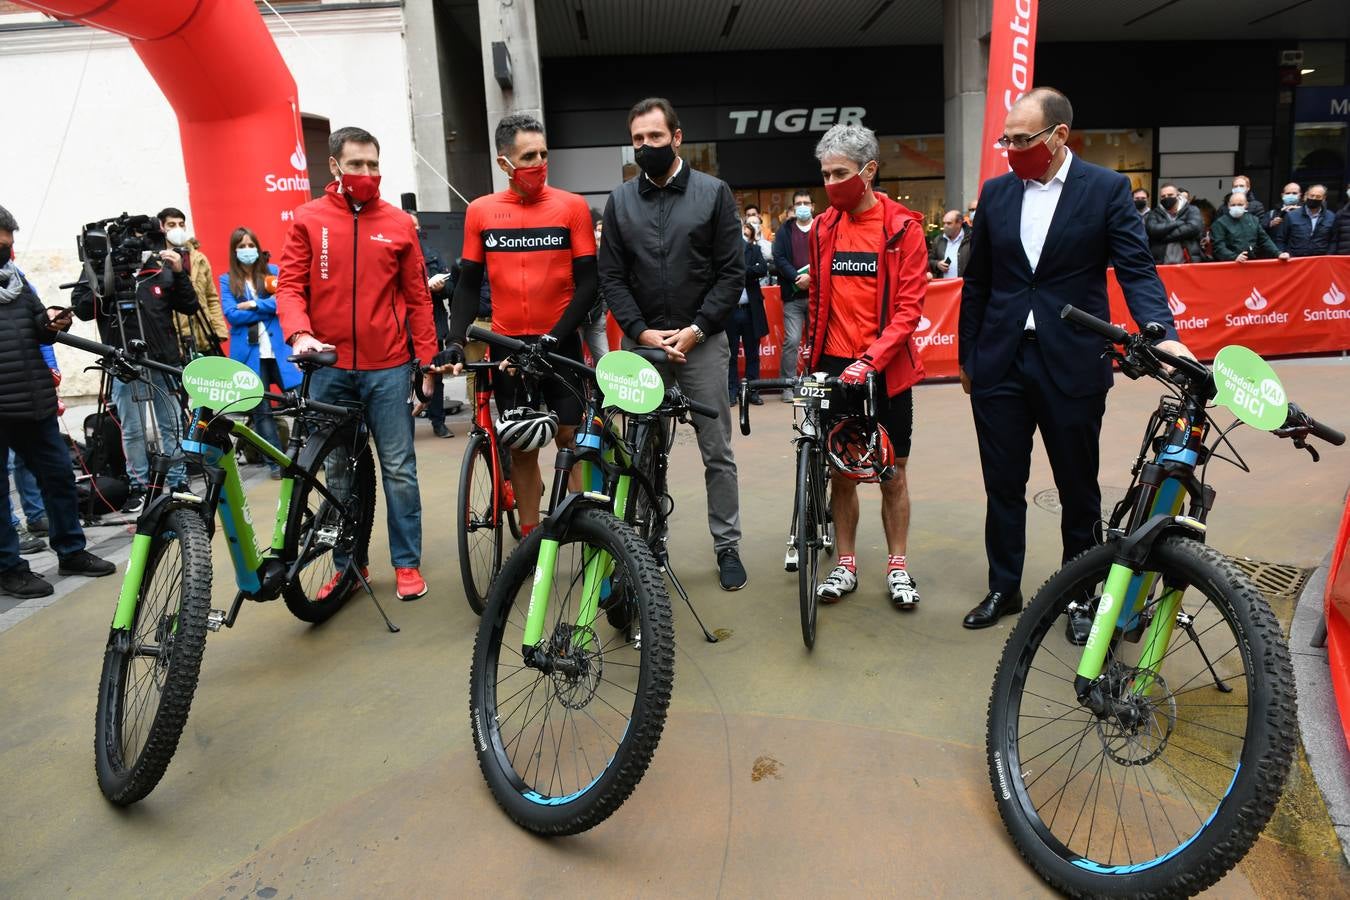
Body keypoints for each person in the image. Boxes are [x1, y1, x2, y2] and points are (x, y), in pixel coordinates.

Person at [958, 87, 1191, 642]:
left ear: (1059, 135)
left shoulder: (1107, 190)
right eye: (1006, 139)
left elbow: (1136, 271)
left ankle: (1080, 593)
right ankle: (1003, 586)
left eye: (1021, 139)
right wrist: (968, 357)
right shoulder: (996, 194)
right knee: (1003, 482)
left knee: (1077, 487)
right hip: (1001, 361)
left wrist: (1164, 336)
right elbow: (979, 282)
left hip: (1071, 362)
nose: (1010, 149)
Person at [276, 126, 439, 603]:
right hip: (327, 368)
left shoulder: (398, 223)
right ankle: (348, 565)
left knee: (399, 469)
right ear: (334, 167)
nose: (367, 174)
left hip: (387, 368)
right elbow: (289, 287)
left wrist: (427, 360)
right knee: (338, 474)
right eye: (356, 165)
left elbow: (417, 299)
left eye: (373, 165)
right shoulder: (308, 219)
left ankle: (406, 564)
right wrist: (299, 331)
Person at [598, 97, 748, 591]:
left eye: (655, 137)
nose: (645, 146)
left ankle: (727, 546)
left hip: (701, 342)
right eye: (637, 139)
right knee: (638, 452)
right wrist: (642, 332)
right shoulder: (620, 201)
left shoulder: (714, 193)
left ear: (677, 138)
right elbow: (612, 277)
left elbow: (731, 274)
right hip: (643, 347)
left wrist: (697, 328)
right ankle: (643, 547)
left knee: (716, 452)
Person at [440, 113, 598, 537]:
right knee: (522, 445)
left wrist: (554, 336)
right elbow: (468, 285)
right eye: (529, 155)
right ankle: (530, 535)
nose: (540, 162)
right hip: (509, 346)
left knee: (570, 438)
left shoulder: (572, 206)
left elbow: (588, 284)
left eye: (544, 153)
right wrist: (455, 340)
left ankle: (585, 531)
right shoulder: (481, 212)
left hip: (559, 341)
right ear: (504, 163)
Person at [797, 123, 925, 609]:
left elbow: (909, 311)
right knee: (840, 472)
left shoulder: (903, 229)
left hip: (885, 369)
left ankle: (898, 566)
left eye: (840, 173)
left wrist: (870, 360)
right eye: (825, 174)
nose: (830, 184)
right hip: (833, 365)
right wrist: (809, 358)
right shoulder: (826, 227)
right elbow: (817, 304)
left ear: (869, 171)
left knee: (892, 473)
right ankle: (845, 564)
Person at [0, 204, 115, 598]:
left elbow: (38, 330)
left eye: (9, 246)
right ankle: (9, 569)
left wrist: (51, 324)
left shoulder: (15, 280)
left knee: (60, 477)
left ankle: (72, 550)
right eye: (1, 245)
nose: (7, 253)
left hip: (34, 402)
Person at [72, 218, 199, 511]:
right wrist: (107, 276)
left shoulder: (160, 265)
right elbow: (81, 308)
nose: (138, 243)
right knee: (132, 428)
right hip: (122, 360)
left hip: (163, 359)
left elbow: (189, 306)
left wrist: (179, 273)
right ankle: (140, 485)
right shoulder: (103, 264)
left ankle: (178, 481)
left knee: (172, 424)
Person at [219, 226, 299, 478]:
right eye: (241, 246)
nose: (246, 250)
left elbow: (282, 303)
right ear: (234, 251)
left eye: (250, 245)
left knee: (299, 401)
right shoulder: (226, 280)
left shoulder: (273, 273)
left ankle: (304, 457)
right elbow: (231, 314)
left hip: (279, 349)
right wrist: (266, 308)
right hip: (250, 354)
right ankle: (276, 464)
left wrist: (254, 303)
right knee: (261, 410)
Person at [158, 207, 228, 358]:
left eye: (181, 224)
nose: (178, 228)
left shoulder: (199, 258)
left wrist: (218, 330)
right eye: (171, 225)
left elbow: (212, 298)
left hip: (206, 334)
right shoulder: (157, 261)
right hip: (178, 340)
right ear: (161, 227)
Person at [409, 212, 454, 439]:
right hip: (403, 329)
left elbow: (450, 287)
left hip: (433, 324)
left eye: (416, 226)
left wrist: (440, 288)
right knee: (403, 378)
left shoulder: (432, 255)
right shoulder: (392, 254)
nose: (414, 230)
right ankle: (404, 425)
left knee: (435, 374)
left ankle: (439, 422)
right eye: (410, 226)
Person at [771, 189, 814, 399]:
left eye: (806, 202)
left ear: (813, 206)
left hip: (818, 297)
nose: (803, 206)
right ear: (793, 208)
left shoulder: (822, 227)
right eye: (799, 203)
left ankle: (817, 383)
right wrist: (798, 277)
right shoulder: (784, 231)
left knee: (817, 342)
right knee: (792, 340)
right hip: (793, 298)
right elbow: (778, 258)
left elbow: (829, 255)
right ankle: (788, 386)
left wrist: (812, 278)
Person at [727, 220, 769, 406]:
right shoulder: (725, 252)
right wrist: (746, 271)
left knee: (753, 354)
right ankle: (732, 391)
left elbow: (762, 269)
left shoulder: (753, 249)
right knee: (731, 355)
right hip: (730, 312)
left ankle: (753, 391)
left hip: (751, 310)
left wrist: (742, 271)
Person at [1210, 192, 1290, 262]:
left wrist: (1278, 253)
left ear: (1246, 205)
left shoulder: (1253, 220)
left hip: (1251, 261)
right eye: (1233, 205)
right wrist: (1234, 257)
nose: (1236, 207)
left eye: (1240, 204)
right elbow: (1218, 246)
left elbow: (1264, 240)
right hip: (1230, 264)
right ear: (1228, 205)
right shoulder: (1220, 223)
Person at [1144, 183, 1203, 264]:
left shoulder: (1192, 210)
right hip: (1161, 264)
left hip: (1187, 263)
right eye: (1163, 196)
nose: (1166, 198)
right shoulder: (1154, 213)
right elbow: (1152, 230)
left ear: (1178, 195)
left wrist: (1162, 237)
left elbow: (1194, 228)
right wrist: (1177, 223)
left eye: (1170, 195)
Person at [580, 208, 610, 364]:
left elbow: (604, 283)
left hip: (596, 317)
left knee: (605, 362)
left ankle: (602, 389)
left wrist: (603, 309)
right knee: (577, 363)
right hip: (575, 321)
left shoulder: (597, 254)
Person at [1275, 183, 1337, 256]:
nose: (1314, 199)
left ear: (1324, 198)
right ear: (1306, 196)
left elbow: (1334, 241)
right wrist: (1283, 253)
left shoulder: (1331, 217)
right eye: (1311, 195)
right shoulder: (1291, 216)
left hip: (1320, 260)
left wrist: (1328, 256)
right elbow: (1281, 239)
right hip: (1295, 260)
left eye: (1318, 197)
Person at [928, 209, 971, 279]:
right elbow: (929, 260)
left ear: (959, 223)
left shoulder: (970, 239)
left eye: (949, 223)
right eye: (944, 223)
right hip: (944, 287)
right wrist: (937, 264)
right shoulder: (938, 240)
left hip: (964, 287)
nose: (945, 226)